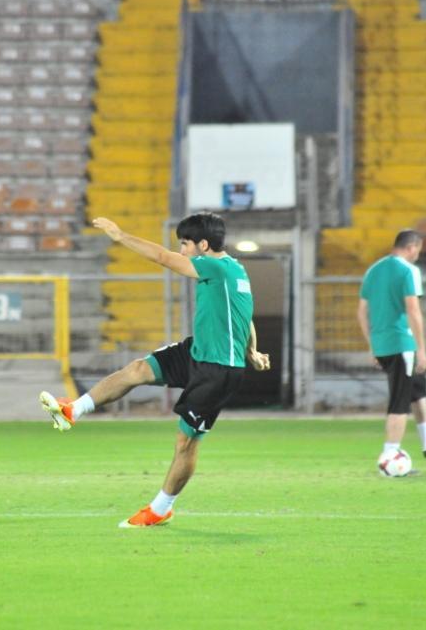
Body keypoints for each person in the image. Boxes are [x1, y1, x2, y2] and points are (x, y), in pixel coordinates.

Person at [40, 212, 271, 528]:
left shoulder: (214, 267)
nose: (181, 251)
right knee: (138, 369)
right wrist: (252, 351)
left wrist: (120, 236)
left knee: (186, 442)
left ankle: (161, 508)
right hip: (197, 352)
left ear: (204, 245)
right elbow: (246, 316)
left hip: (217, 371)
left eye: (185, 244)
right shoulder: (235, 271)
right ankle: (73, 410)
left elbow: (162, 257)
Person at [356, 229, 426, 464]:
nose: (417, 255)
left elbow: (361, 311)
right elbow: (413, 310)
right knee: (399, 401)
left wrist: (371, 346)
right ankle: (389, 456)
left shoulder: (373, 270)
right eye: (418, 250)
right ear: (411, 247)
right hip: (402, 344)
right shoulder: (409, 271)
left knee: (417, 390)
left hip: (382, 345)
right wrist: (422, 349)